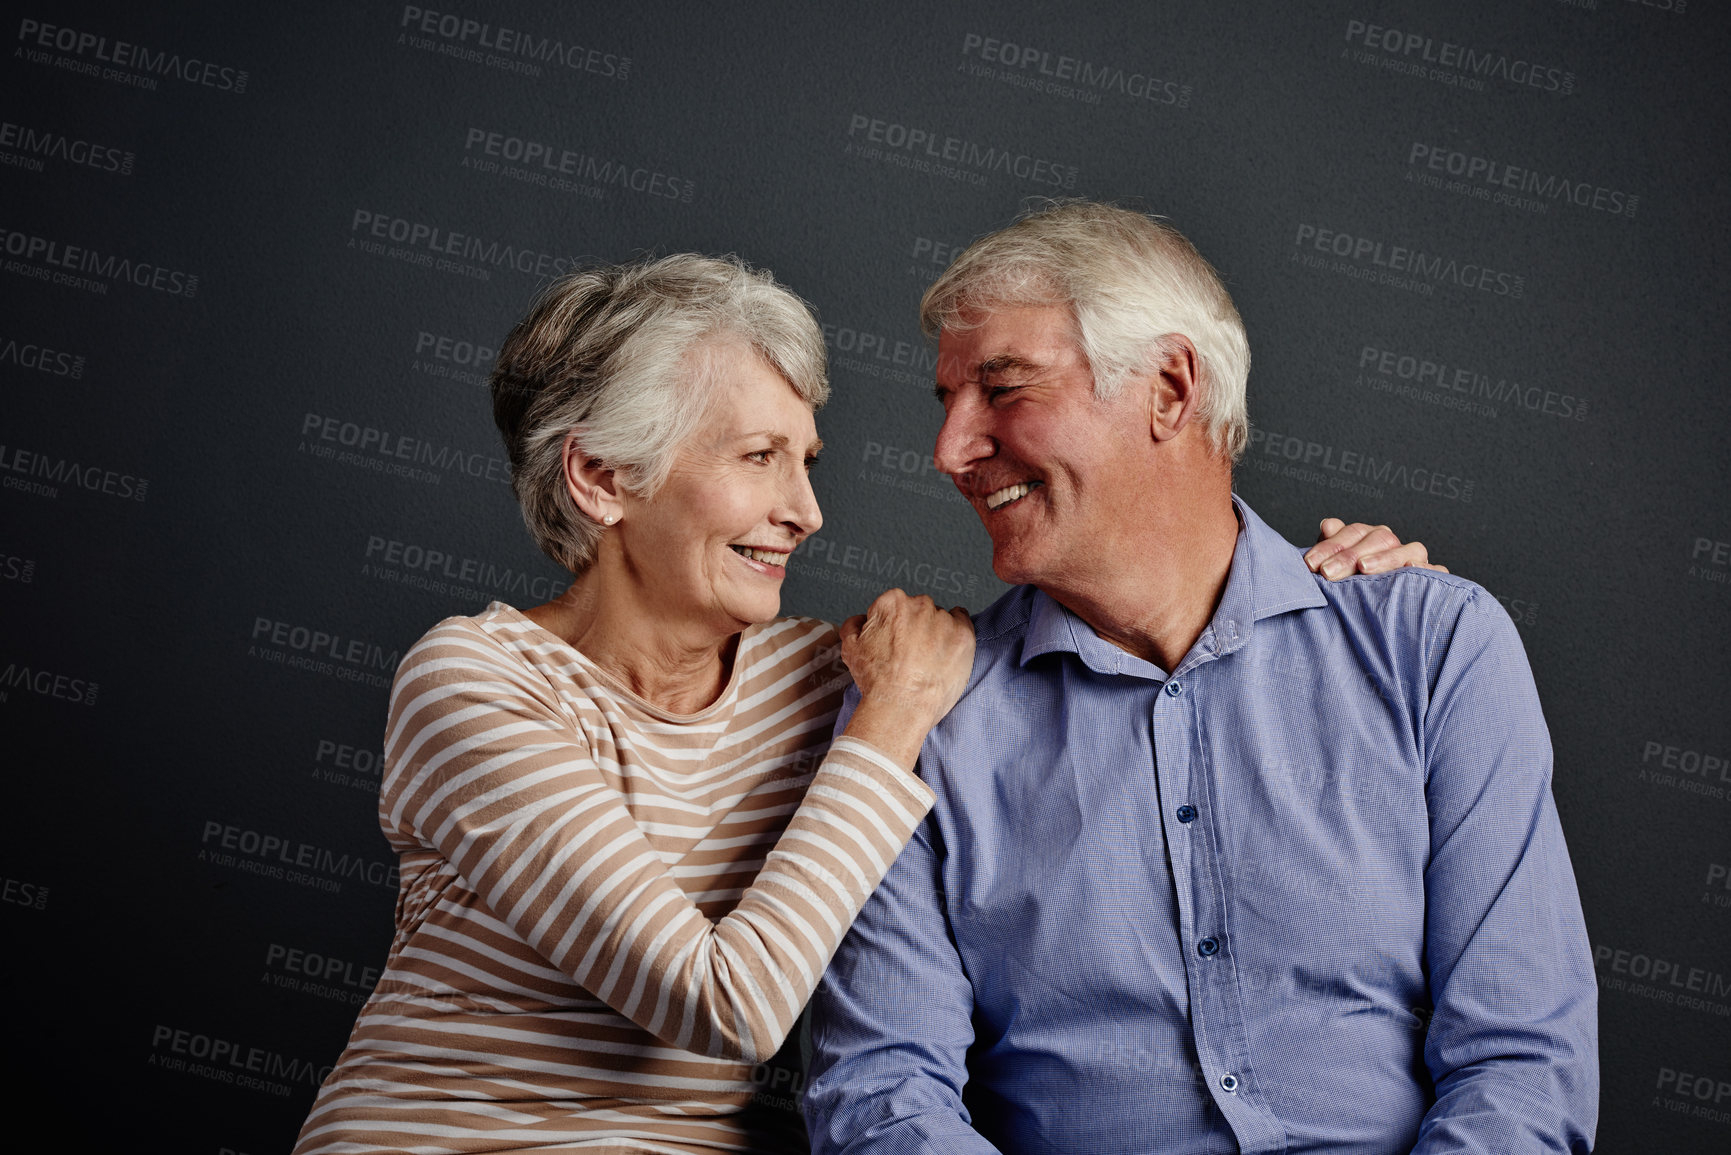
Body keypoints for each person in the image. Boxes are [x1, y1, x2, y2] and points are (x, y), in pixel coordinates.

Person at [293, 253, 1426, 1154]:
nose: (804, 511)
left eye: (809, 462)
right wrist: (888, 724)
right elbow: (719, 1005)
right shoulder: (473, 684)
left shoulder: (822, 681)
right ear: (600, 479)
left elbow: (1112, 658)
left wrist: (1337, 592)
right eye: (757, 457)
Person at [804, 203, 1598, 1154]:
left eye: (1003, 389)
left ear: (1170, 389)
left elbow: (1519, 1065)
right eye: (946, 402)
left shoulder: (1432, 644)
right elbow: (883, 1093)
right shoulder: (920, 709)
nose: (949, 450)